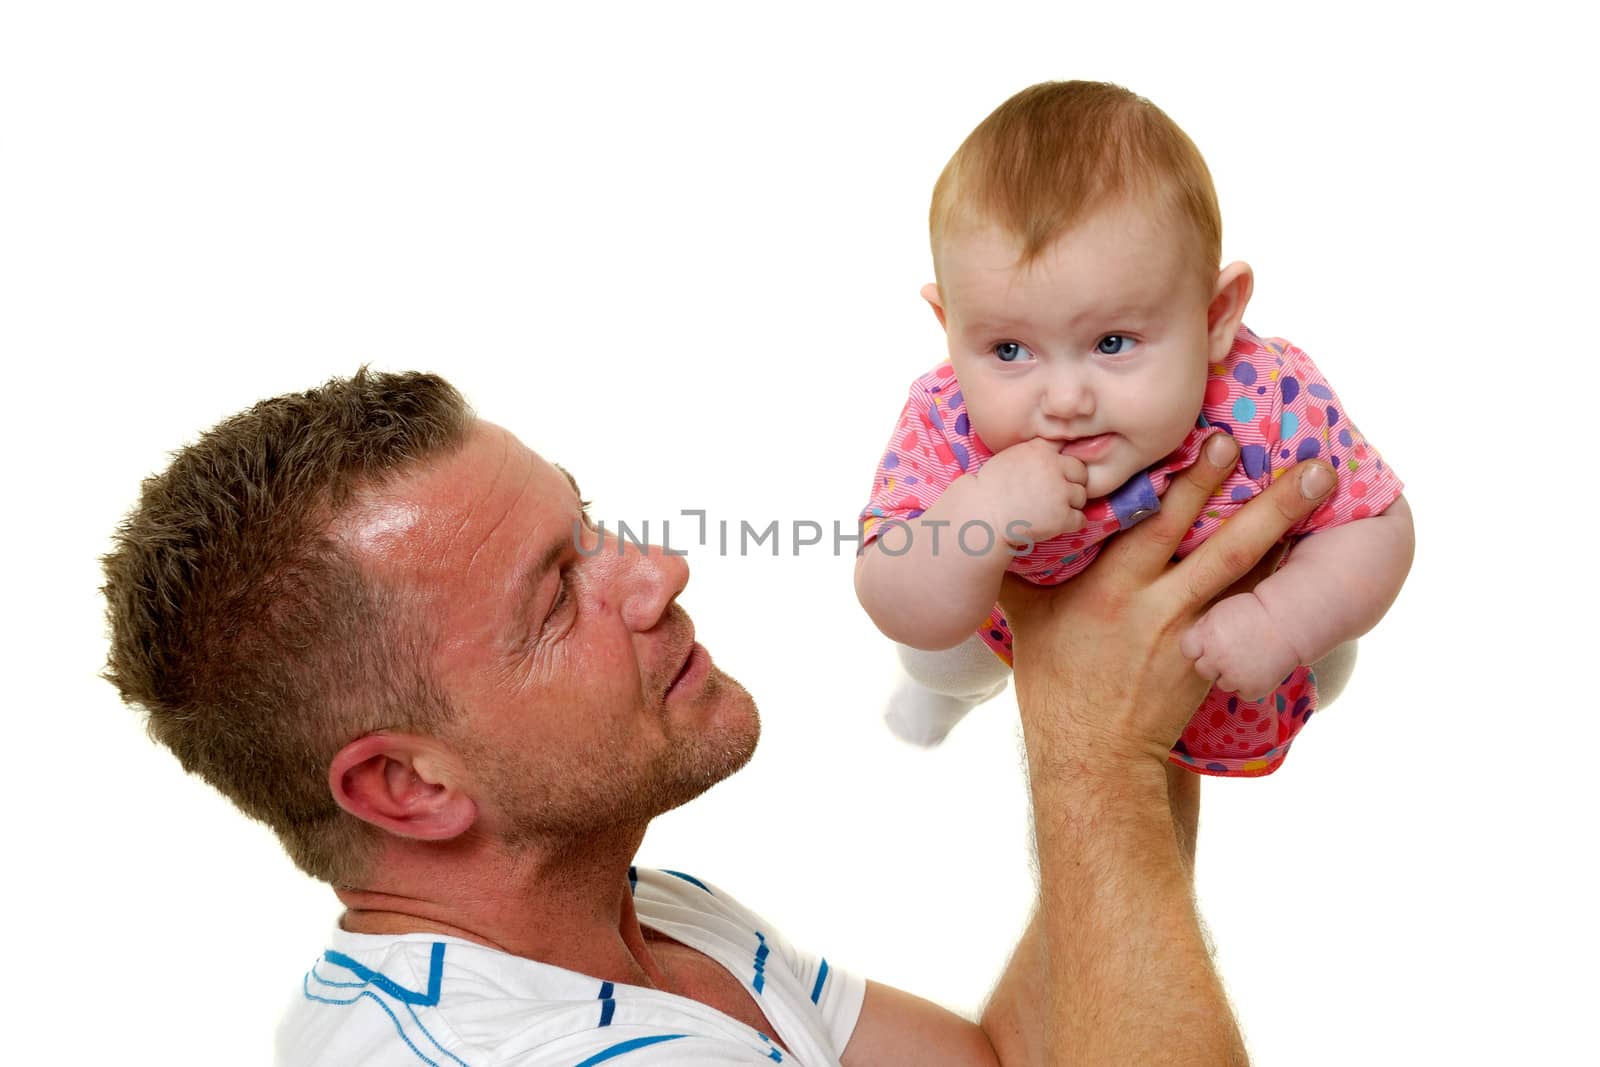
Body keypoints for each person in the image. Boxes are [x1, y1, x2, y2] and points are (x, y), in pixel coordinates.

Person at [102, 368, 1341, 1064]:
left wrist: (1138, 653)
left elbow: (999, 1065)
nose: (656, 570)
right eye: (556, 593)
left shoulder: (635, 917)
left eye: (588, 522)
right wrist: (1095, 753)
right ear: (408, 786)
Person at [855, 81, 1415, 773]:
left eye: (1113, 343)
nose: (1063, 399)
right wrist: (979, 515)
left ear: (1215, 318)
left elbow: (1377, 520)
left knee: (1333, 659)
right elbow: (886, 583)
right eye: (1008, 350)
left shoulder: (1268, 393)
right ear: (950, 328)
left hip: (1251, 667)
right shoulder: (948, 422)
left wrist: (1284, 619)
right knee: (939, 657)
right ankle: (944, 700)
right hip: (1020, 631)